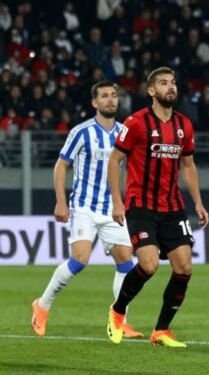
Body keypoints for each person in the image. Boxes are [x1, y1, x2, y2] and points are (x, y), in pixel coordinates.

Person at [106, 67, 209, 348]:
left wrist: (198, 202)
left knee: (184, 268)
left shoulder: (184, 125)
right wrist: (117, 200)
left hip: (172, 205)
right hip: (141, 205)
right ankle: (118, 311)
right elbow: (114, 160)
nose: (171, 87)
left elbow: (188, 165)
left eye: (173, 83)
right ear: (151, 91)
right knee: (149, 265)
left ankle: (162, 330)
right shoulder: (136, 122)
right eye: (163, 83)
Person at [31, 82, 143, 339]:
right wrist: (61, 201)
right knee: (80, 259)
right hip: (84, 207)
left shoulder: (125, 133)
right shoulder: (82, 132)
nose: (110, 100)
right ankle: (43, 305)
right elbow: (61, 166)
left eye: (114, 96)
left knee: (126, 262)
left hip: (113, 207)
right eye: (104, 96)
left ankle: (120, 320)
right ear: (94, 103)